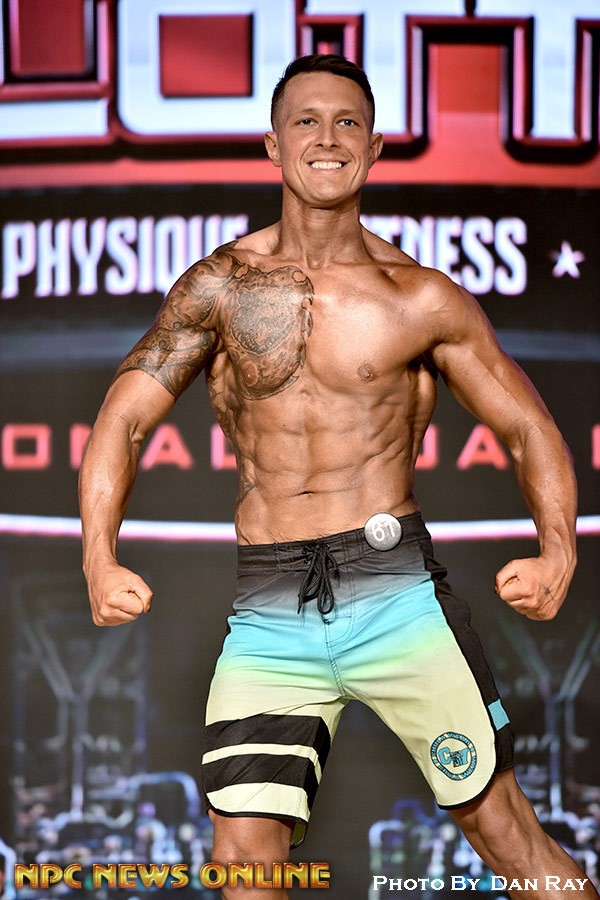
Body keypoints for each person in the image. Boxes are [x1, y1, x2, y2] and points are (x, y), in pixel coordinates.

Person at [79, 55, 595, 899]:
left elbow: (527, 425)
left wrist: (558, 550)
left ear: (375, 146)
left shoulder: (419, 298)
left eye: (348, 121)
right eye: (307, 121)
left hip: (396, 596)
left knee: (506, 833)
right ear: (273, 145)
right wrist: (100, 557)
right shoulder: (218, 288)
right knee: (244, 863)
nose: (328, 138)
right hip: (269, 612)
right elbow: (123, 419)